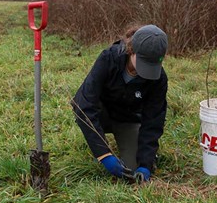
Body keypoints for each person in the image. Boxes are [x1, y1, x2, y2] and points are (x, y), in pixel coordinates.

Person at [71, 24, 168, 182]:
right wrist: (104, 155)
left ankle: (134, 150)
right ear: (132, 50)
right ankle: (100, 143)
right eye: (144, 62)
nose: (147, 70)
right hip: (101, 114)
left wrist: (146, 163)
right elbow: (84, 105)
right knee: (84, 109)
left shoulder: (159, 79)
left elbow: (154, 120)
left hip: (127, 119)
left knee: (131, 168)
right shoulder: (108, 58)